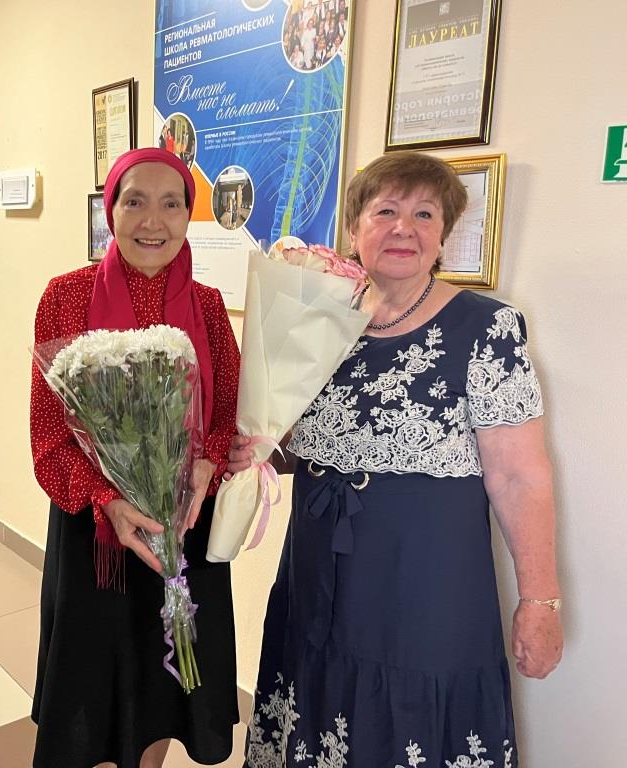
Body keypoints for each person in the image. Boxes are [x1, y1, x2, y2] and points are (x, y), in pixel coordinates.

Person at [236, 152, 563, 766]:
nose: (403, 229)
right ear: (354, 227)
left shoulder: (487, 328)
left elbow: (520, 476)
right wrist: (257, 449)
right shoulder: (318, 318)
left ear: (444, 235)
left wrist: (540, 601)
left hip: (424, 587)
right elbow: (301, 438)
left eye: (424, 214)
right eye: (385, 211)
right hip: (318, 575)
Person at [30, 148, 241, 768]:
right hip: (99, 535)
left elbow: (228, 409)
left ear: (188, 215)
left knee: (165, 687)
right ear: (111, 211)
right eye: (135, 201)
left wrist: (208, 462)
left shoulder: (207, 305)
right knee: (96, 685)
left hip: (186, 528)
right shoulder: (65, 296)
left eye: (172, 204)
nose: (154, 220)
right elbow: (48, 432)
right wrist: (109, 499)